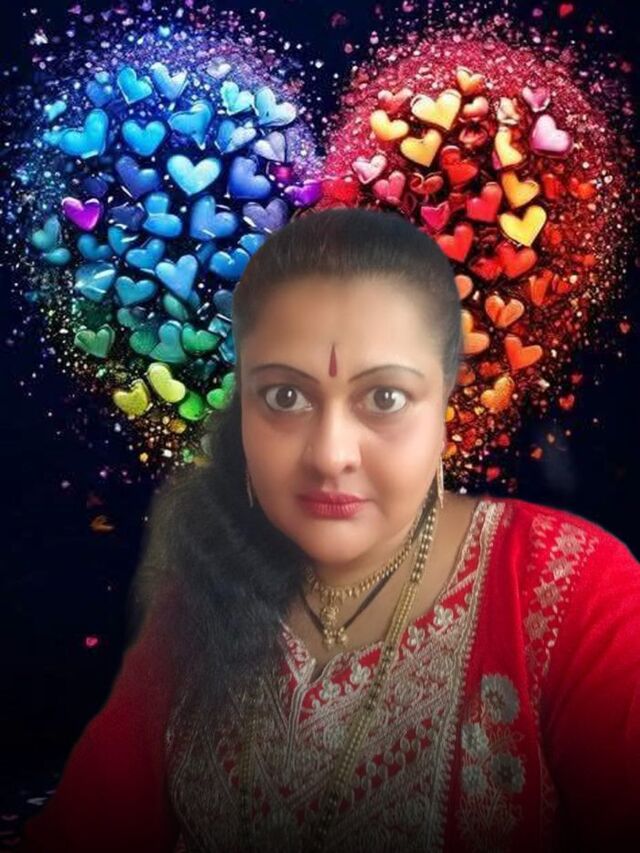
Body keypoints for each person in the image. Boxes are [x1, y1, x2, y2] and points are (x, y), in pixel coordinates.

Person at [17, 208, 640, 853]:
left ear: (445, 407)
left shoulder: (570, 591)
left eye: (385, 398)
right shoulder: (209, 586)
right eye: (285, 397)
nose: (330, 454)